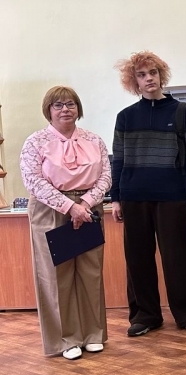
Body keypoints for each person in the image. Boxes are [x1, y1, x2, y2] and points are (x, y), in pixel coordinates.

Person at [111, 52, 186, 337]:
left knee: (178, 258)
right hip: (134, 196)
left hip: (172, 196)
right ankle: (145, 315)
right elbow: (118, 159)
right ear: (134, 82)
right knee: (137, 259)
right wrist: (116, 197)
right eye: (141, 75)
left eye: (152, 72)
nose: (148, 78)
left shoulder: (184, 112)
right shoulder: (125, 117)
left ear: (161, 76)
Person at [20, 87, 111, 360]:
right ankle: (66, 339)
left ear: (78, 108)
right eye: (58, 105)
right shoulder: (35, 142)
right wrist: (70, 207)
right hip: (50, 209)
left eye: (70, 104)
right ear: (48, 110)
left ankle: (93, 334)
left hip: (88, 208)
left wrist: (85, 204)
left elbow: (106, 176)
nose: (65, 109)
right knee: (56, 275)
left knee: (91, 272)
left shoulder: (94, 139)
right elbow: (33, 180)